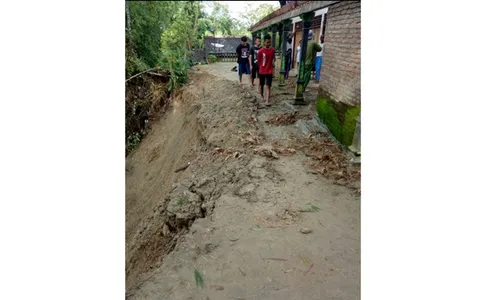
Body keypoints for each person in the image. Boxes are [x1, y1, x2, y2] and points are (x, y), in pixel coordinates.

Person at [257, 34, 276, 106]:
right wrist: (261, 67)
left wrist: (272, 67)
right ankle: (262, 96)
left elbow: (273, 59)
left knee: (268, 86)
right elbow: (259, 61)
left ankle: (267, 100)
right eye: (267, 42)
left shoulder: (272, 50)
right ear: (264, 42)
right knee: (262, 85)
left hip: (269, 71)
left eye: (270, 42)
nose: (269, 44)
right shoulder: (260, 51)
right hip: (262, 71)